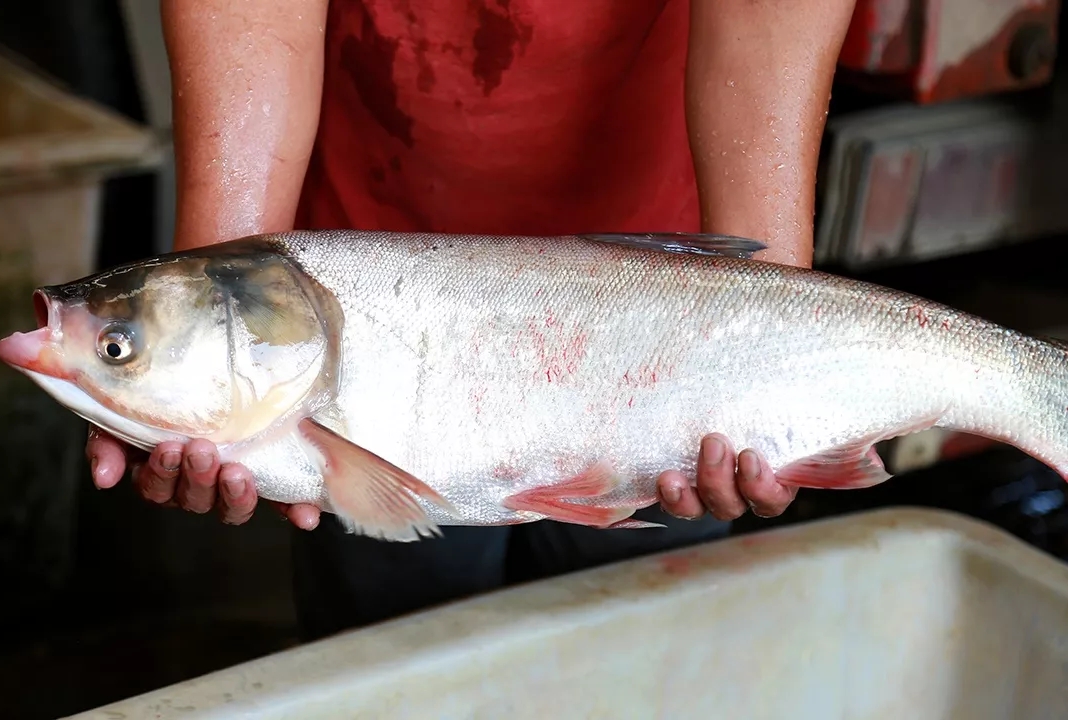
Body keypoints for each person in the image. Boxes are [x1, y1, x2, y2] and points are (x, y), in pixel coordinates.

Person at [86, 0, 858, 637]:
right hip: (360, 328)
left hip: (674, 320)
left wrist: (773, 323)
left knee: (640, 662)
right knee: (397, 657)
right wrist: (203, 308)